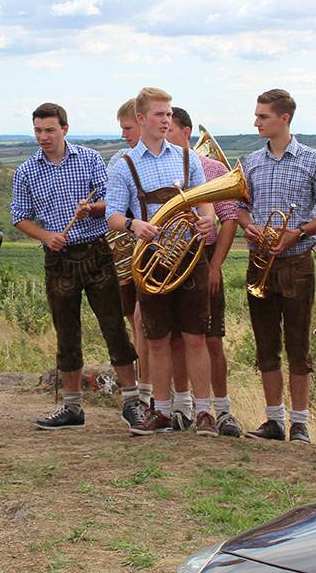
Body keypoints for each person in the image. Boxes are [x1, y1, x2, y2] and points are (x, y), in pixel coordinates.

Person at [10, 103, 142, 431]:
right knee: (66, 333)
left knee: (114, 327)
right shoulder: (26, 171)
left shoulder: (90, 158)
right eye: (38, 130)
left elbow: (111, 202)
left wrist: (93, 208)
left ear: (64, 129)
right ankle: (71, 408)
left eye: (49, 130)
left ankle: (132, 403)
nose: (43, 136)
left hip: (96, 252)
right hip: (58, 258)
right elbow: (19, 217)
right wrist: (45, 236)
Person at [106, 88, 218, 437]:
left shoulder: (188, 157)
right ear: (141, 119)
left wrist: (208, 219)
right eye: (159, 114)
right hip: (152, 260)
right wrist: (133, 224)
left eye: (169, 113)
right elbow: (111, 215)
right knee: (156, 339)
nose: (166, 119)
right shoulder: (122, 163)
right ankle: (163, 411)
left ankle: (204, 412)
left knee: (195, 336)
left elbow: (206, 203)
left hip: (188, 257)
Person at [237, 89, 316, 445]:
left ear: (284, 118)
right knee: (265, 344)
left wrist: (299, 232)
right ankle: (274, 420)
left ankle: (301, 423)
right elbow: (239, 207)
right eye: (257, 115)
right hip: (259, 260)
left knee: (298, 344)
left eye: (263, 116)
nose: (257, 122)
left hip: (297, 262)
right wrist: (249, 226)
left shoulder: (315, 161)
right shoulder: (250, 162)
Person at [166, 107, 243, 437]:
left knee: (211, 339)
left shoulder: (212, 168)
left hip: (203, 255)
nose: (164, 135)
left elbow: (230, 218)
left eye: (170, 129)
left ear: (185, 132)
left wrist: (215, 266)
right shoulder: (158, 166)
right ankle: (183, 406)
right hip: (170, 256)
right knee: (175, 339)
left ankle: (222, 410)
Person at [109, 98, 151, 406]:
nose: (124, 134)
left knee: (145, 322)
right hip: (132, 256)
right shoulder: (120, 161)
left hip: (158, 252)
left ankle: (152, 391)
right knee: (134, 321)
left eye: (128, 128)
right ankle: (144, 389)